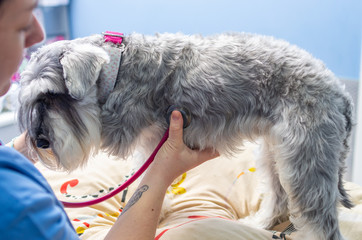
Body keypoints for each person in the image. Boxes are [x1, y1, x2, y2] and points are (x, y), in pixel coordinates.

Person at [0, 0, 219, 239]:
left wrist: (33, 142)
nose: (38, 34)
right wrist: (161, 173)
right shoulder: (16, 202)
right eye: (22, 24)